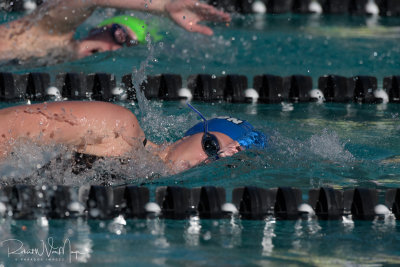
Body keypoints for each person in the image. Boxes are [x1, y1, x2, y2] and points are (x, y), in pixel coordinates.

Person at [0, 101, 266, 173]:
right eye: (211, 146)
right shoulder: (119, 129)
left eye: (221, 161)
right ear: (188, 137)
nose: (211, 159)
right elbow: (10, 124)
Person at [0, 0, 231, 62]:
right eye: (118, 35)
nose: (112, 48)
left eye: (125, 45)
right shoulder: (48, 33)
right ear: (101, 27)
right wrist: (162, 6)